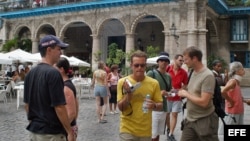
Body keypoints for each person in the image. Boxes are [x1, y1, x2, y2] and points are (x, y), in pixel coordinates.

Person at [23, 35, 74, 141]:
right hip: (51, 133)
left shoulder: (30, 74)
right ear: (49, 50)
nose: (61, 53)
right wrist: (69, 131)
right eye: (58, 49)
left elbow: (27, 105)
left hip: (35, 131)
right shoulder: (53, 73)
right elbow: (59, 107)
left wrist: (34, 122)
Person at [117, 50, 163, 141]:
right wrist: (129, 95)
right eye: (136, 65)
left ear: (146, 66)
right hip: (127, 129)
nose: (139, 68)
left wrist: (154, 105)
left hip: (145, 131)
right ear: (131, 65)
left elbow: (160, 105)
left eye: (142, 65)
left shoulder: (154, 83)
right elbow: (121, 108)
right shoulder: (123, 82)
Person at [178, 46, 219, 141]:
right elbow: (193, 91)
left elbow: (204, 102)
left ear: (195, 58)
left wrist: (186, 94)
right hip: (190, 120)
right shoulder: (193, 72)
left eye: (186, 59)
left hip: (205, 120)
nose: (184, 62)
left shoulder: (207, 75)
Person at [147, 52, 172, 141]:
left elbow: (169, 90)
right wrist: (158, 93)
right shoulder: (151, 73)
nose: (164, 62)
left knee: (158, 134)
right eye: (161, 60)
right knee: (152, 134)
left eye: (166, 61)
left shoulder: (169, 76)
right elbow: (145, 90)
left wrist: (170, 93)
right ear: (158, 62)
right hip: (153, 108)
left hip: (164, 107)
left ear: (168, 63)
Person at [218, 61, 246, 134]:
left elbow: (237, 96)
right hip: (232, 111)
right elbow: (223, 91)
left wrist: (246, 101)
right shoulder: (233, 81)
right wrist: (230, 101)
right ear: (237, 71)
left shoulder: (237, 82)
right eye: (242, 69)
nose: (244, 71)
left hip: (239, 110)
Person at [55, 57, 79, 139]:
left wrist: (63, 129)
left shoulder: (66, 87)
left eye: (55, 68)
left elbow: (71, 113)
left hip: (67, 130)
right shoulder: (66, 85)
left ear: (61, 69)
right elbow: (77, 104)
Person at [166, 54, 188, 141]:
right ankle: (168, 129)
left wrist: (180, 90)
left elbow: (186, 84)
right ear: (175, 60)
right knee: (167, 114)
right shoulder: (168, 69)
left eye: (182, 61)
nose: (182, 62)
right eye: (180, 60)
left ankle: (171, 133)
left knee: (174, 114)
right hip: (167, 96)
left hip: (177, 97)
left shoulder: (183, 72)